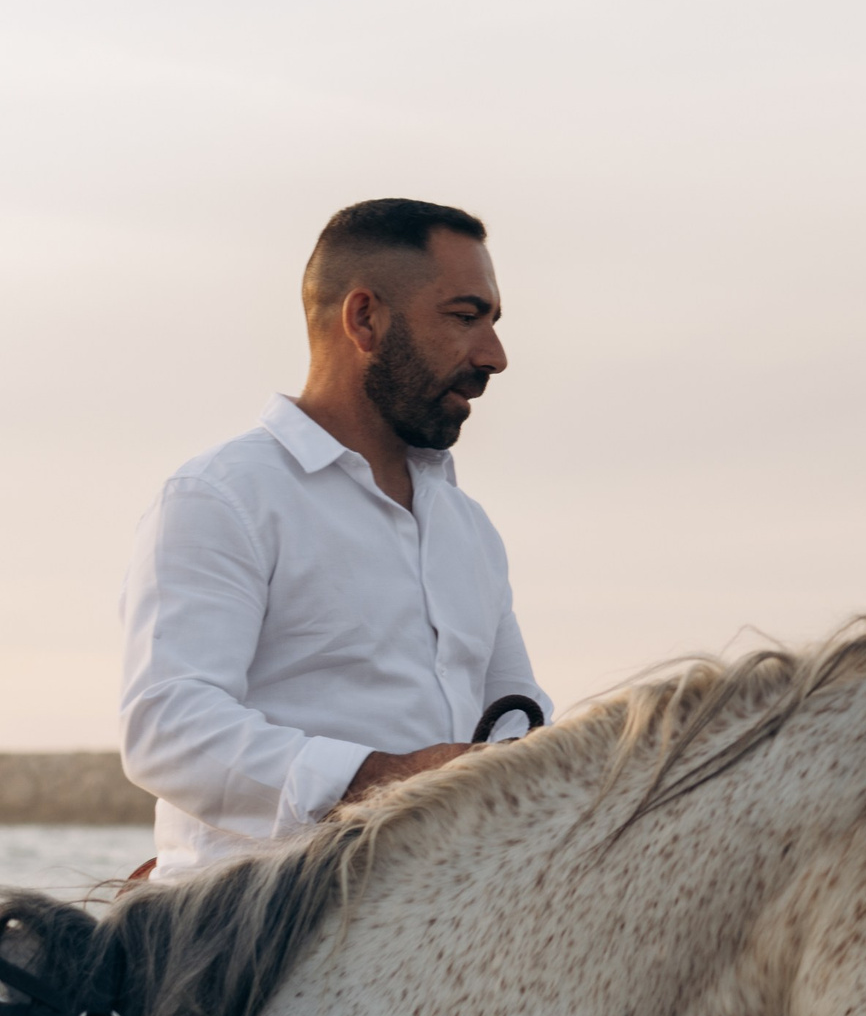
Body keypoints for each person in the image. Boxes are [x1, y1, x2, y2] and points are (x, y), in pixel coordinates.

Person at [119, 198, 548, 878]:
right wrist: (385, 780)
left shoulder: (469, 530)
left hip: (446, 913)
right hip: (246, 933)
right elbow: (168, 728)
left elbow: (518, 718)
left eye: (493, 323)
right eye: (466, 318)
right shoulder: (223, 496)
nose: (493, 356)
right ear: (365, 319)